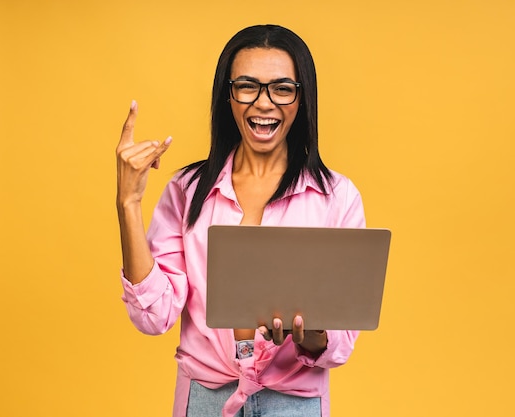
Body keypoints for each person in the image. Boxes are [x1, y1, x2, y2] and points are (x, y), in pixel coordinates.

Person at [115, 24, 365, 417]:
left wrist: (313, 335)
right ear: (227, 96)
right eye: (247, 86)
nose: (264, 103)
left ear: (302, 98)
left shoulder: (337, 197)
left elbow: (341, 342)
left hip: (294, 402)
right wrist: (128, 201)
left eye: (282, 88)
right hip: (204, 398)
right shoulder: (187, 190)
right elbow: (154, 315)